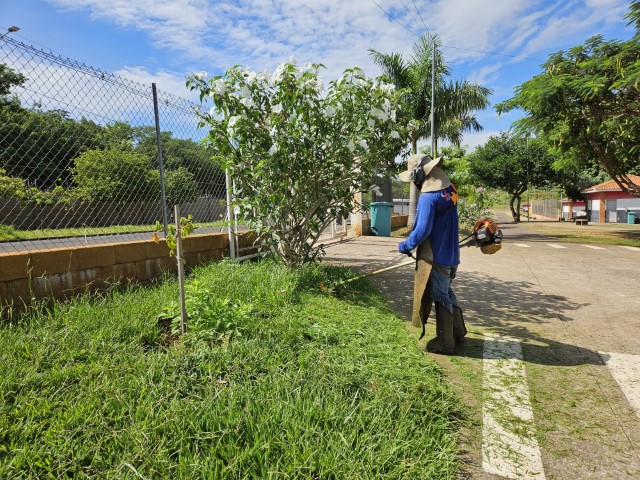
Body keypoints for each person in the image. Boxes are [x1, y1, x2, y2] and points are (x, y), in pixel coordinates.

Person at [397, 154, 466, 354]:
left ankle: (445, 343)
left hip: (437, 257)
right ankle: (459, 332)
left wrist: (405, 245)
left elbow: (422, 231)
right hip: (452, 256)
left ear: (419, 177)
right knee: (447, 292)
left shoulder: (428, 197)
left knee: (440, 294)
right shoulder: (450, 190)